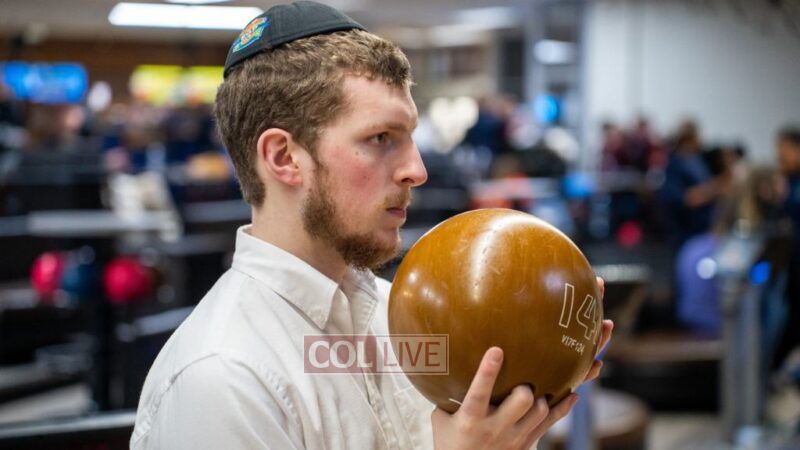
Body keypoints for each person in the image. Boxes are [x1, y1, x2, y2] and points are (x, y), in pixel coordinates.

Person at [131, 2, 612, 449]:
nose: (417, 170)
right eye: (381, 137)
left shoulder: (402, 317)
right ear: (284, 158)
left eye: (410, 137)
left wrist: (533, 361)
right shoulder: (220, 380)